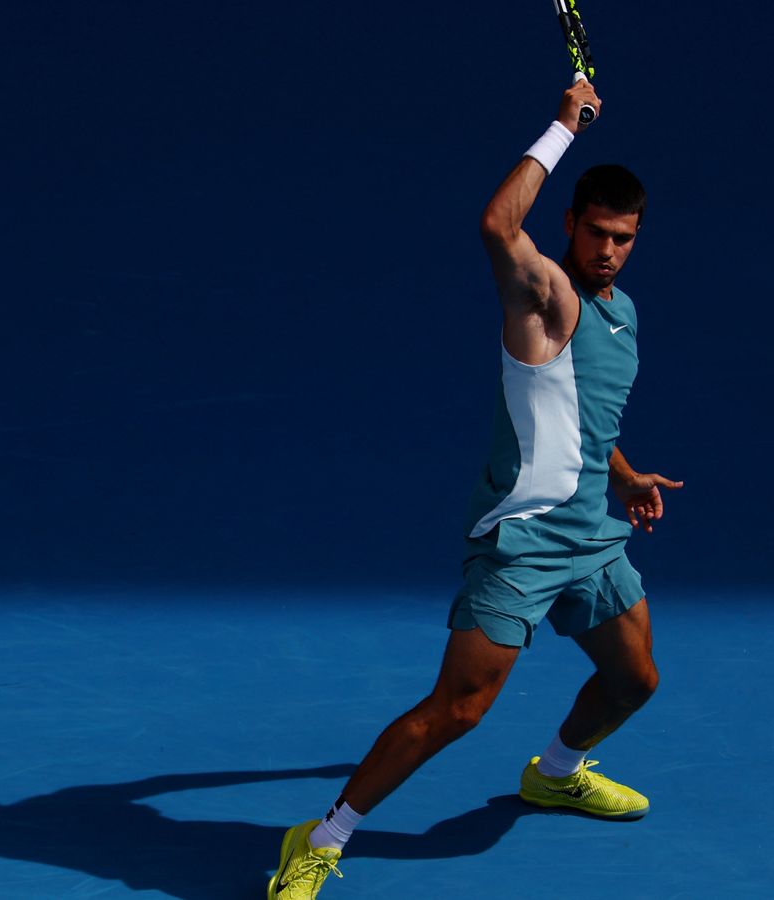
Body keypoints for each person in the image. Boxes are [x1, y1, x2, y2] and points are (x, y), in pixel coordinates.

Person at [268, 77, 684, 900]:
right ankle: (317, 840)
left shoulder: (624, 313)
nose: (608, 251)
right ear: (570, 223)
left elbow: (585, 418)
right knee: (457, 709)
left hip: (593, 536)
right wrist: (563, 127)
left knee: (635, 679)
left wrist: (626, 475)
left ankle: (554, 774)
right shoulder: (545, 296)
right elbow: (497, 225)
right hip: (524, 542)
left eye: (624, 238)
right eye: (596, 233)